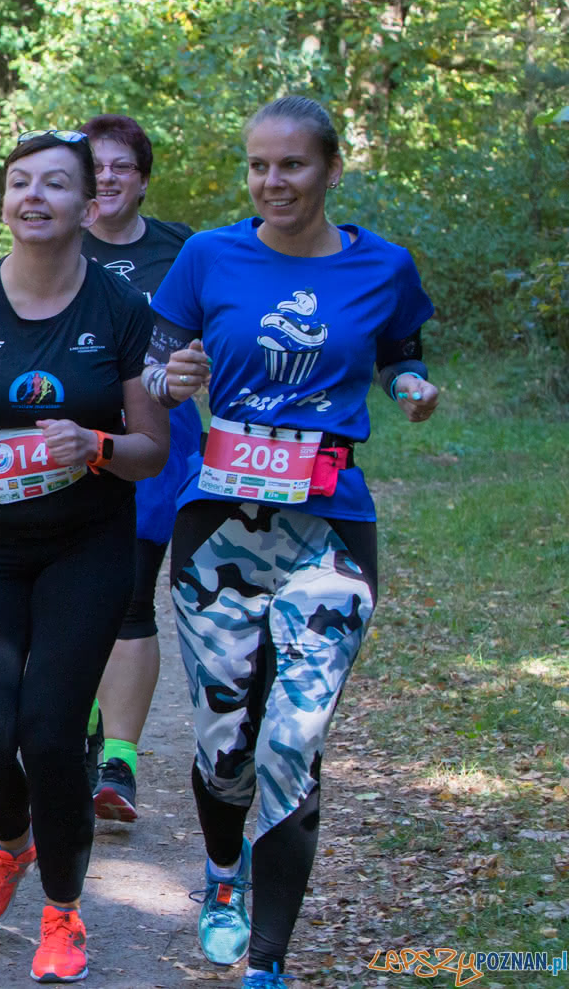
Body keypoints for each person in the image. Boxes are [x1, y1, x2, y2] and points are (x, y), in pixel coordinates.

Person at [144, 97, 437, 988]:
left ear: (332, 169)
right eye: (259, 166)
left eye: (293, 165)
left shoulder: (383, 264)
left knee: (294, 735)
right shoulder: (208, 256)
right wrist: (172, 376)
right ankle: (222, 872)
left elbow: (401, 349)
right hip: (219, 527)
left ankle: (267, 960)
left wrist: (412, 384)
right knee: (225, 739)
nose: (273, 182)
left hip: (331, 527)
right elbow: (154, 368)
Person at [0, 130, 170, 983]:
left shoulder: (121, 311)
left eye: (55, 183)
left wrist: (94, 444)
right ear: (4, 201)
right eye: (21, 183)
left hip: (87, 542)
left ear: (88, 203)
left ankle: (62, 909)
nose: (35, 196)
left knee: (50, 735)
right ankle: (12, 842)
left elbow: (151, 449)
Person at [74, 114, 199, 824]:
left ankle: (117, 760)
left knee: (129, 594)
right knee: (70, 594)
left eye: (122, 166)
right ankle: (83, 726)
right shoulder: (56, 240)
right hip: (66, 435)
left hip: (157, 438)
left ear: (144, 180)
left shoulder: (183, 250)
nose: (108, 178)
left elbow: (222, 330)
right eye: (95, 166)